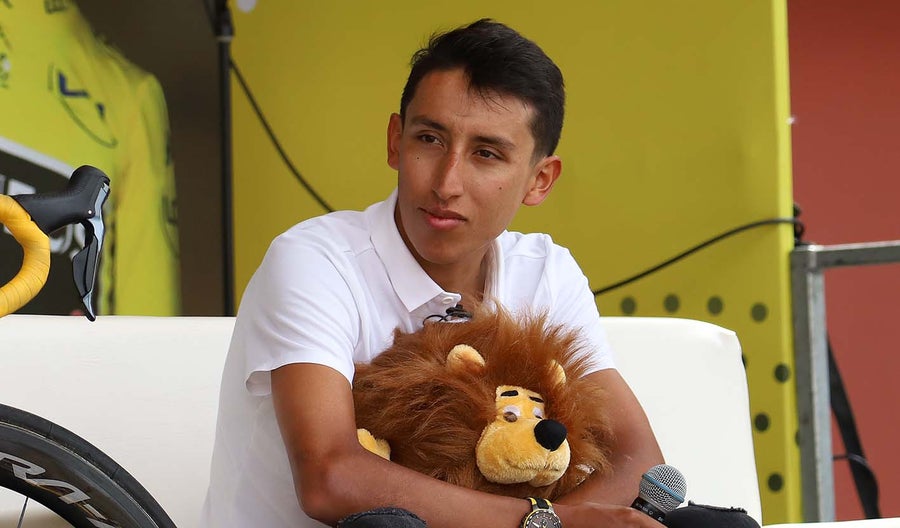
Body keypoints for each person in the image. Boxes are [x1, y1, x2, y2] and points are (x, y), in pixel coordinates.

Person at [201, 19, 667, 528]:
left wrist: (543, 524)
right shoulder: (315, 261)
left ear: (539, 180)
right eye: (429, 138)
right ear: (395, 142)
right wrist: (549, 523)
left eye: (486, 154)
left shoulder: (546, 273)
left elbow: (637, 460)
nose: (446, 183)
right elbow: (329, 476)